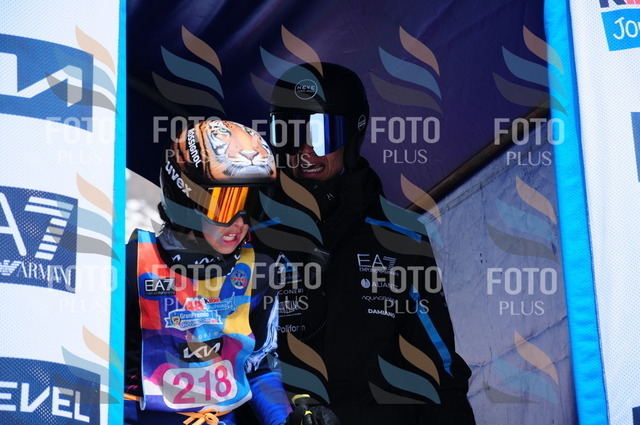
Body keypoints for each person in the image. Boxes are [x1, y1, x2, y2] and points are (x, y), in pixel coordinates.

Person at [251, 63, 476, 424]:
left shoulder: (399, 236)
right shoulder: (250, 235)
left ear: (353, 136)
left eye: (322, 134)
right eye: (290, 133)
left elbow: (439, 366)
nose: (305, 151)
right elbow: (233, 358)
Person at [124, 119, 297, 425]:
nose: (239, 222)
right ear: (184, 197)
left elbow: (260, 367)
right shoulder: (133, 265)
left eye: (252, 204)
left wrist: (284, 421)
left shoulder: (259, 272)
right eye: (226, 205)